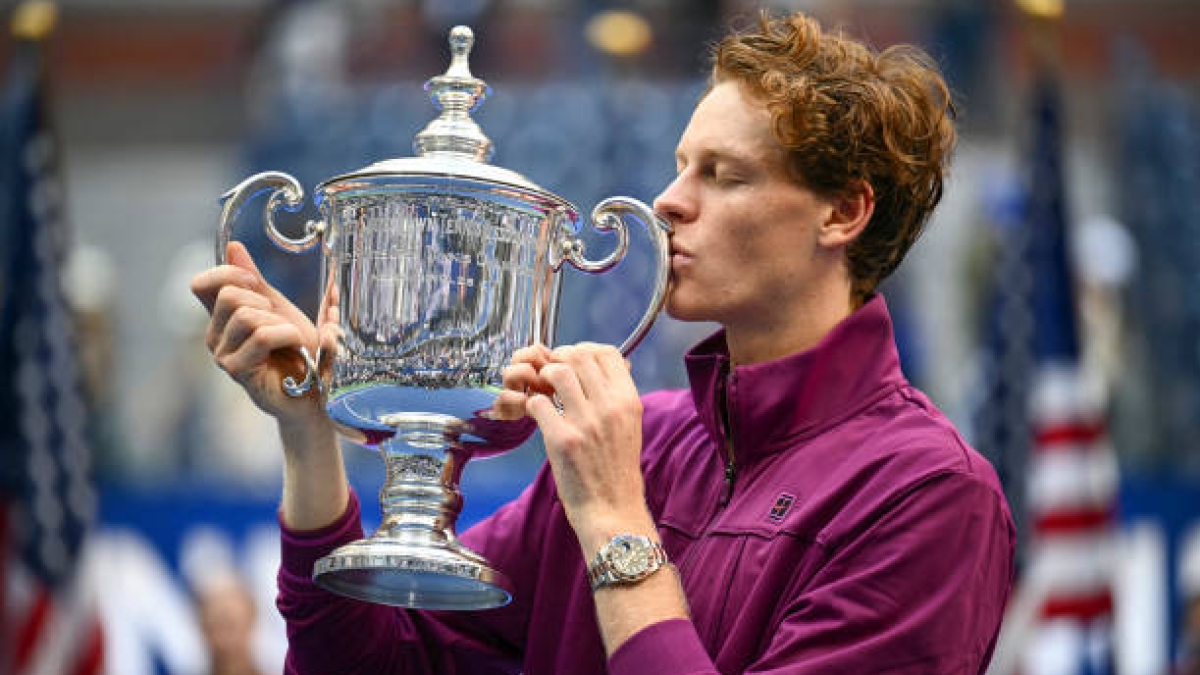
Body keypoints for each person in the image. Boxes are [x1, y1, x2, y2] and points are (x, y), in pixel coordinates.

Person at [191, 10, 1015, 674]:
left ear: (843, 213)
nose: (666, 201)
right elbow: (371, 661)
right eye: (679, 166)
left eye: (722, 176)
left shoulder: (931, 495)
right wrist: (307, 434)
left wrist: (618, 519)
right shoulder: (641, 441)